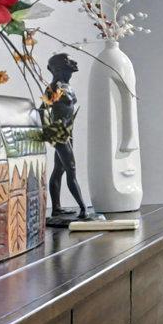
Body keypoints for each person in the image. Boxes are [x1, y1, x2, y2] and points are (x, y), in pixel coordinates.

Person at [44, 51, 96, 223]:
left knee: (59, 170)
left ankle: (56, 209)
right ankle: (83, 208)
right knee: (71, 169)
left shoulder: (67, 87)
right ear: (59, 67)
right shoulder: (54, 88)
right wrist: (49, 131)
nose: (73, 62)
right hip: (60, 135)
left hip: (68, 133)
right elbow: (40, 110)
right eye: (68, 60)